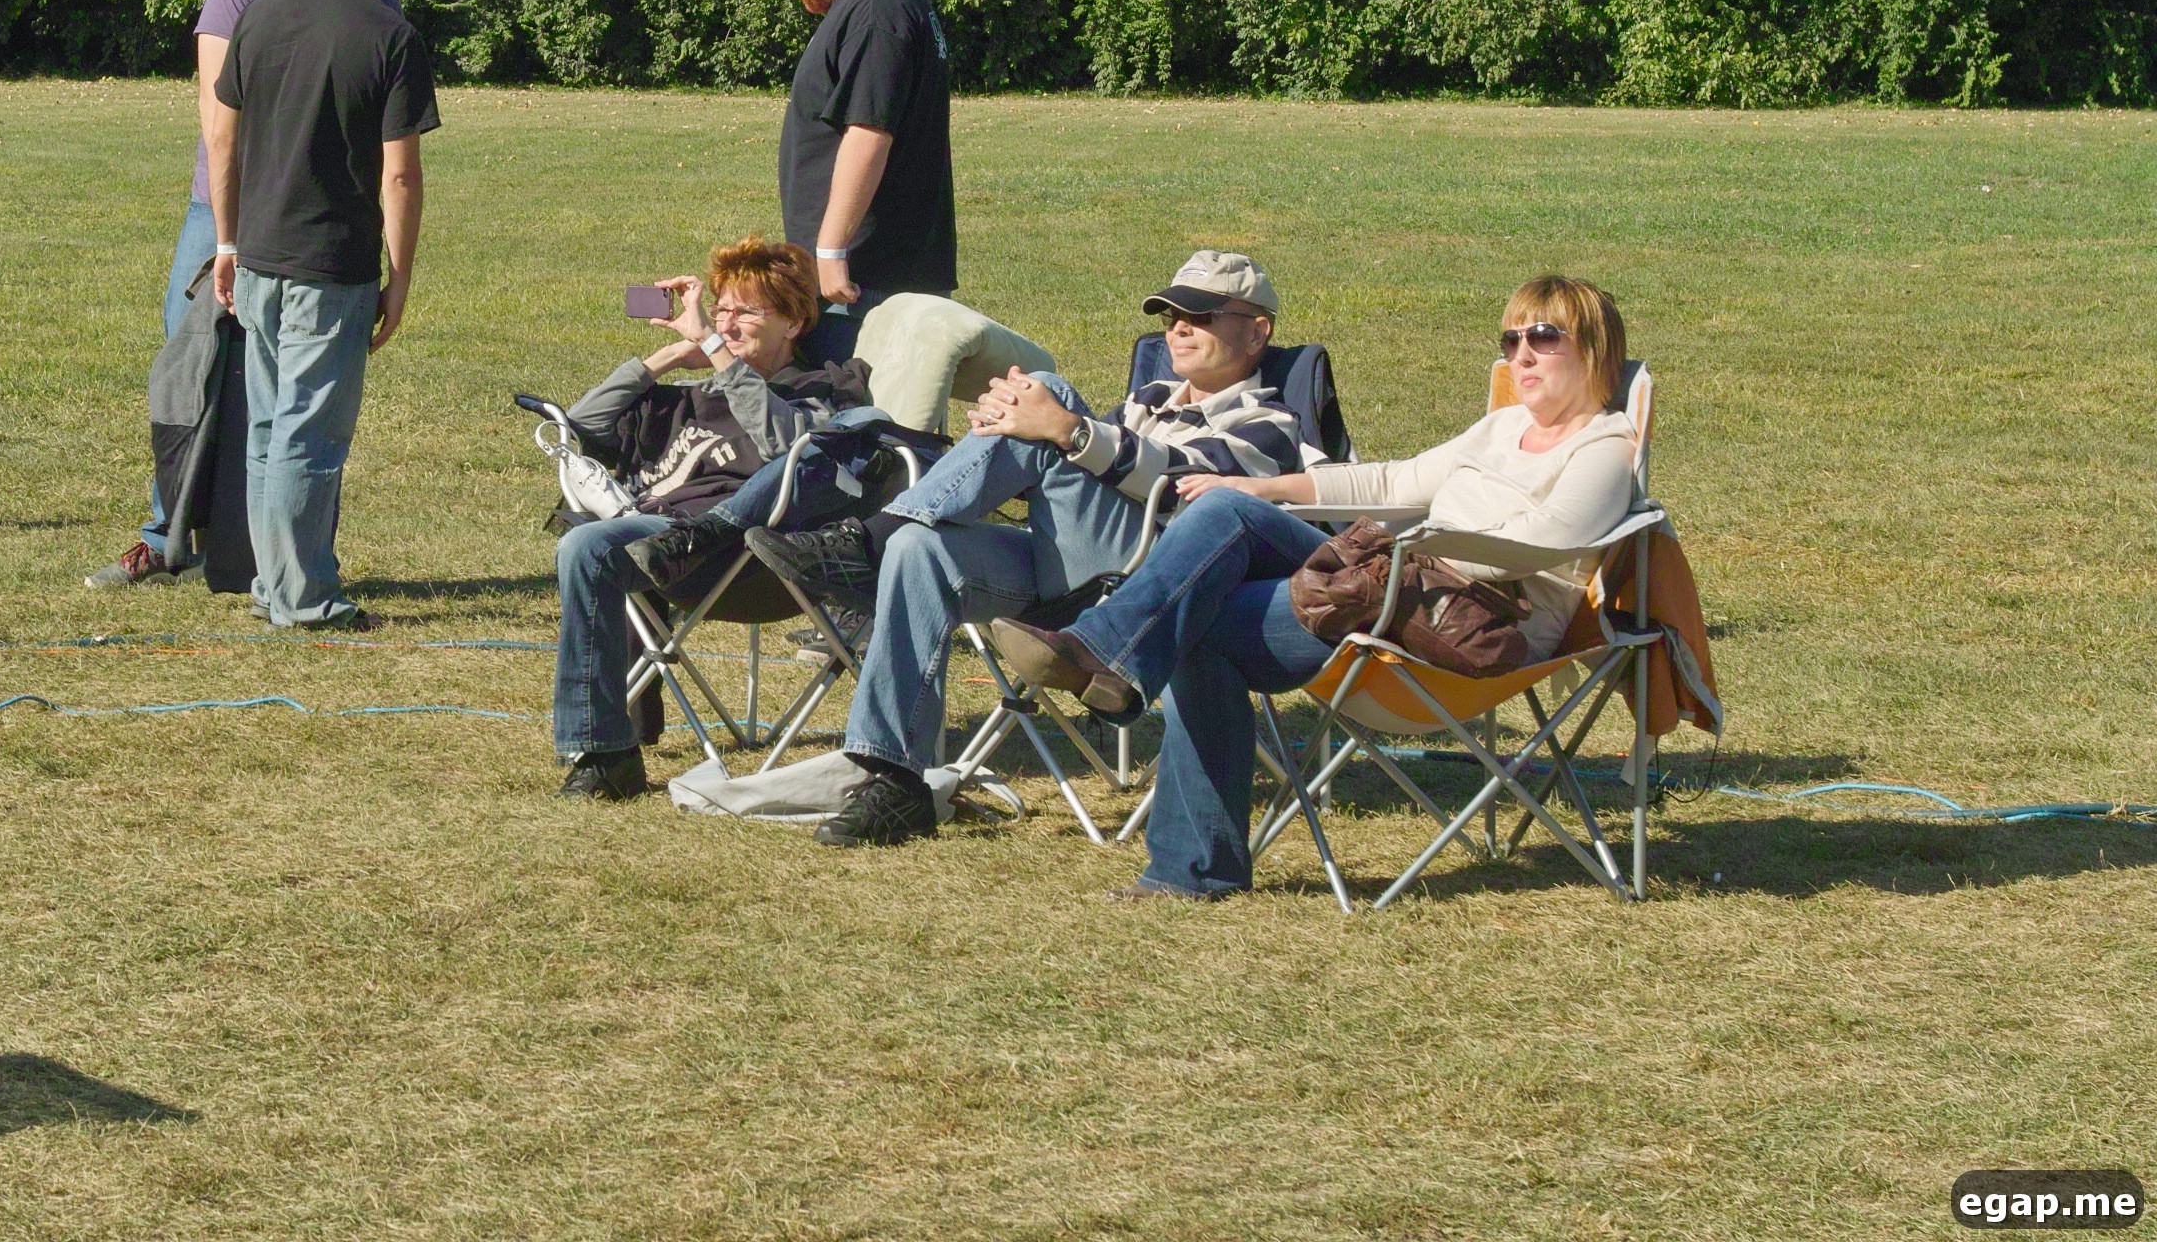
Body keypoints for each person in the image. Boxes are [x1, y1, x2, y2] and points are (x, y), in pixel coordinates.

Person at [988, 276, 1641, 900]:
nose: (1521, 355)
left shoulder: (1604, 446)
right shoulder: (1502, 428)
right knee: (1222, 522)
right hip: (1404, 588)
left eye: (1543, 338)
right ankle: (1125, 700)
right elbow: (1390, 482)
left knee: (1201, 603)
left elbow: (1550, 538)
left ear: (1593, 350)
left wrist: (1423, 544)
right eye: (1511, 339)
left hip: (1477, 625)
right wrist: (1263, 486)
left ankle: (1117, 682)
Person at [724, 250, 1324, 849]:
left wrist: (1061, 426)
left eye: (1202, 317)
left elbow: (1188, 494)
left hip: (1149, 590)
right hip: (1068, 565)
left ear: (1256, 331)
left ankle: (867, 543)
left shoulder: (1269, 419)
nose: (1179, 329)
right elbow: (1072, 474)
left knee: (1049, 400)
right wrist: (1004, 427)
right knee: (919, 546)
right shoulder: (1149, 400)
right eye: (1171, 317)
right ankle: (896, 777)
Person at [88, 0, 406, 588]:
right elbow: (217, 109)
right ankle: (164, 539)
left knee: (299, 396)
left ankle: (276, 557)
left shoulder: (380, 4)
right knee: (191, 366)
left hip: (317, 225)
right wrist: (233, 228)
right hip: (226, 206)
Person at [551, 238, 873, 801]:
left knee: (589, 548)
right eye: (720, 310)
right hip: (658, 540)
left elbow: (785, 450)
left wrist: (719, 353)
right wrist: (672, 357)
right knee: (586, 544)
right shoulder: (694, 394)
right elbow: (579, 424)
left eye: (745, 311)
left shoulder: (820, 390)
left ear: (795, 322)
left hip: (749, 557)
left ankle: (603, 757)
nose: (726, 323)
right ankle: (606, 756)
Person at [204, 0, 438, 631]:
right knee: (310, 436)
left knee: (269, 429)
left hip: (259, 256)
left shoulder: (262, 14)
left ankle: (273, 585)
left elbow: (224, 138)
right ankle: (305, 598)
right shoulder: (392, 34)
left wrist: (227, 242)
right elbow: (400, 175)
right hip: (330, 267)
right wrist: (400, 276)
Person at [752, 0, 955, 364]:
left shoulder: (877, 6)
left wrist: (830, 251)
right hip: (865, 274)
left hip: (866, 283)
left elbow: (869, 131)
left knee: (858, 408)